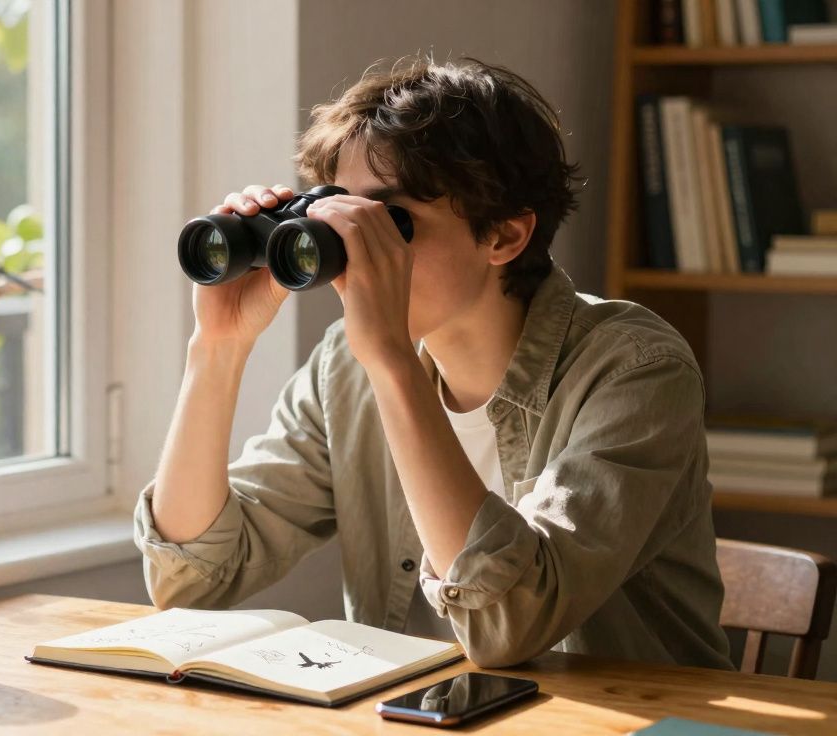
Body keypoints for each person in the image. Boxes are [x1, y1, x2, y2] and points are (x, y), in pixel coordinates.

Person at [133, 56, 733, 669]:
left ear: (504, 235)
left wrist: (392, 361)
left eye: (389, 222)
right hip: (414, 709)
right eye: (340, 216)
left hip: (621, 713)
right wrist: (218, 347)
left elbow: (509, 623)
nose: (360, 250)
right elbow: (192, 580)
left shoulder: (635, 370)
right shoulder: (345, 367)